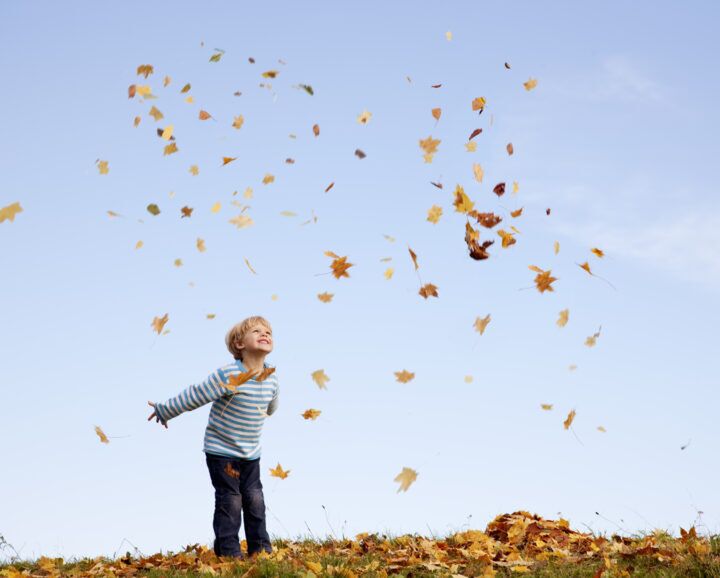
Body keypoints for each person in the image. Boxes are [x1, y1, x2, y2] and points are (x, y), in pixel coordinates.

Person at [147, 316, 279, 559]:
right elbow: (197, 394)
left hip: (251, 453)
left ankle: (260, 549)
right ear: (239, 344)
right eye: (257, 331)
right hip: (222, 451)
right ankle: (228, 551)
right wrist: (166, 409)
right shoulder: (229, 374)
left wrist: (267, 407)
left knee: (255, 499)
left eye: (269, 332)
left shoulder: (271, 376)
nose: (265, 334)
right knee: (231, 500)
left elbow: (271, 405)